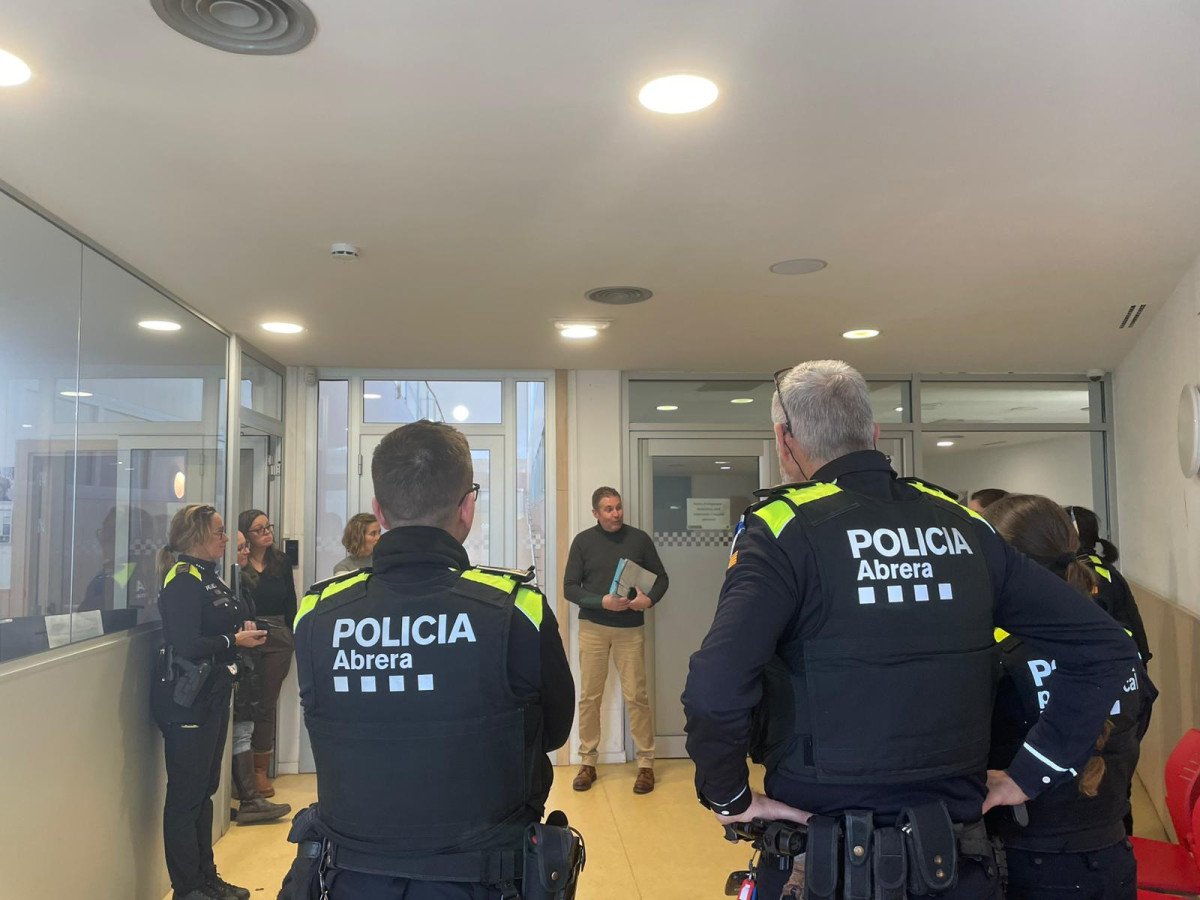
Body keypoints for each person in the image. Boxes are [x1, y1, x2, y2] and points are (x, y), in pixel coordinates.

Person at [682, 360, 1137, 900]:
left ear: (785, 439)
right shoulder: (962, 524)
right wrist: (1031, 773)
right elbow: (1105, 647)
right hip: (955, 859)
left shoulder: (783, 528)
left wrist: (728, 796)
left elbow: (716, 688)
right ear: (873, 433)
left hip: (822, 858)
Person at [280, 420, 575, 899]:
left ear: (379, 510)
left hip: (353, 878)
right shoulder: (517, 608)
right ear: (467, 506)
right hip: (486, 879)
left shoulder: (317, 612)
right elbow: (555, 732)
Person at [985, 494, 1155, 900]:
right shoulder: (1118, 646)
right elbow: (1137, 726)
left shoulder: (997, 653)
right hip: (1112, 855)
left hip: (1027, 863)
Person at [152, 504, 266, 900]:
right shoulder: (183, 579)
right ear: (197, 535)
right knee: (186, 796)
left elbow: (217, 626)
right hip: (186, 699)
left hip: (212, 693)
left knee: (205, 790)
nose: (226, 538)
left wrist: (240, 634)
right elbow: (186, 643)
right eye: (219, 532)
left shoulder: (209, 577)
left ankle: (207, 878)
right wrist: (232, 640)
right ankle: (187, 887)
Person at [564, 486, 668, 795]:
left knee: (637, 696)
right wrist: (601, 602)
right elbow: (570, 587)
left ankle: (646, 764)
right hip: (593, 627)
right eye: (608, 509)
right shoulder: (583, 541)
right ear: (595, 513)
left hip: (630, 629)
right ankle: (587, 762)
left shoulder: (639, 540)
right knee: (589, 697)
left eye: (618, 507)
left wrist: (648, 600)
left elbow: (662, 578)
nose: (616, 513)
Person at [228, 530, 291, 826]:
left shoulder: (246, 582)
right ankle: (247, 796)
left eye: (244, 547)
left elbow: (290, 603)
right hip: (235, 657)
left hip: (253, 653)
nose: (244, 552)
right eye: (239, 547)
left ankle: (252, 792)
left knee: (254, 714)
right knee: (240, 721)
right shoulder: (228, 583)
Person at [237, 507, 297, 798]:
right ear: (246, 535)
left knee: (266, 703)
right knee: (244, 701)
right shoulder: (239, 562)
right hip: (247, 634)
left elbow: (290, 601)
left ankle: (259, 769)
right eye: (259, 529)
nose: (267, 533)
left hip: (277, 636)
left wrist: (293, 634)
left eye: (268, 527)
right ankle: (241, 771)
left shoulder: (280, 561)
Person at [1065, 505, 1151, 664]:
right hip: (1121, 657)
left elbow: (1092, 629)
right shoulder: (1091, 565)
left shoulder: (1089, 573)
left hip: (1118, 660)